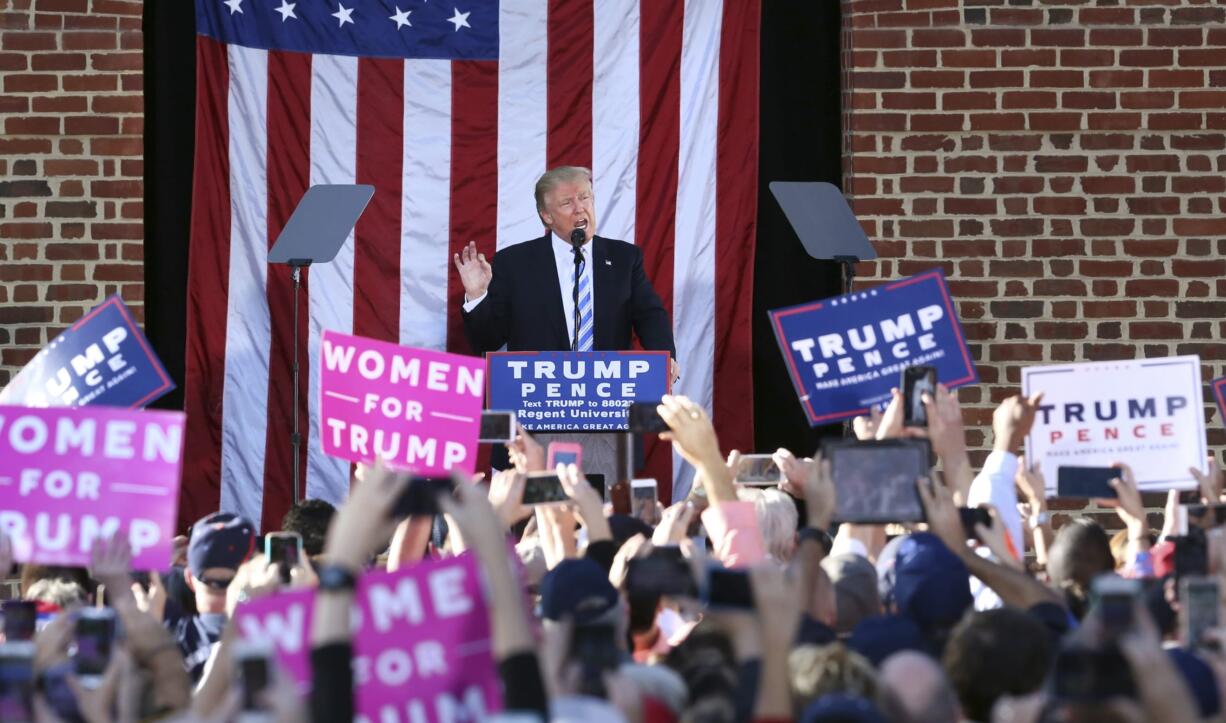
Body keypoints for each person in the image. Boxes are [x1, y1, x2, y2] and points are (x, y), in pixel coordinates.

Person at [454, 165, 679, 382]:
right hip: (541, 399)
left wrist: (665, 357)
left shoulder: (624, 257)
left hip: (608, 394)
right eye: (567, 202)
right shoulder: (514, 263)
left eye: (585, 197)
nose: (580, 208)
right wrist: (477, 295)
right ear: (547, 216)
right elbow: (488, 341)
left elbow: (650, 315)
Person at [167, 511, 256, 683]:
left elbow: (116, 586)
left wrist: (153, 559)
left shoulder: (165, 637)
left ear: (189, 579)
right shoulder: (284, 635)